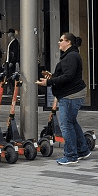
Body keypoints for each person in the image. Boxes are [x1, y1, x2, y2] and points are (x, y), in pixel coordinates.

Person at [37, 32, 91, 165]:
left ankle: (71, 156)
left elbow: (69, 76)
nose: (59, 42)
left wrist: (48, 83)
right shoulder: (70, 55)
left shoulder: (71, 56)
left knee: (66, 125)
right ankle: (83, 150)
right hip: (71, 93)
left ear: (68, 42)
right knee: (72, 122)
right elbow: (66, 75)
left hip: (71, 95)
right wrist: (52, 78)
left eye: (61, 40)